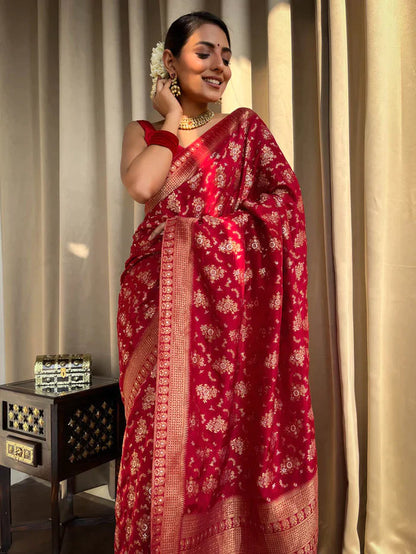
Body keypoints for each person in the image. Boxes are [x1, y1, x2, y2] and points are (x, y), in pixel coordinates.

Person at [115, 11, 318, 554]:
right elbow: (141, 185)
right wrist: (171, 118)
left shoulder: (246, 130)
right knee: (155, 433)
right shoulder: (144, 132)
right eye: (205, 53)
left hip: (222, 303)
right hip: (153, 297)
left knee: (218, 430)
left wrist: (208, 237)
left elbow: (284, 204)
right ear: (171, 61)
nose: (220, 67)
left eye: (225, 56)